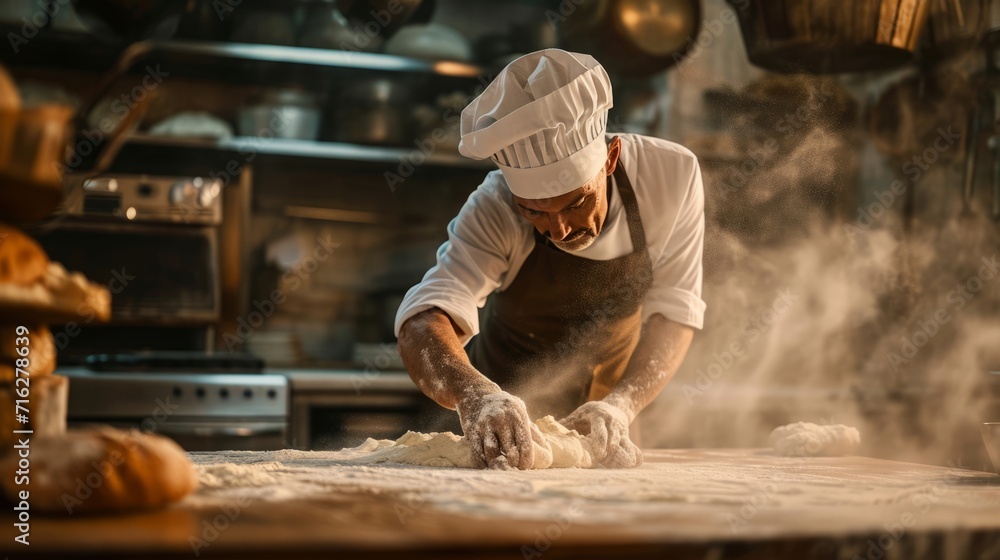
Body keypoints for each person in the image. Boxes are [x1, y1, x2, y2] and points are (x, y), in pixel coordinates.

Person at [396, 49, 705, 469]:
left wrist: (621, 407)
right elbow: (424, 319)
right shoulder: (493, 207)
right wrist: (476, 396)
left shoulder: (670, 176)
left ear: (610, 159)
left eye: (576, 203)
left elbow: (675, 309)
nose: (559, 230)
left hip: (608, 433)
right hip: (500, 442)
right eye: (535, 211)